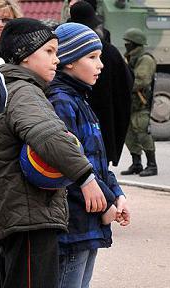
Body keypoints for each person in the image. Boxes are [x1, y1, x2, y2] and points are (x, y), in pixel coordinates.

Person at [0, 18, 106, 288]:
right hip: (30, 217)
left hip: (20, 214)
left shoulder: (11, 89)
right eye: (49, 51)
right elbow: (49, 136)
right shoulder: (24, 92)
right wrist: (86, 176)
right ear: (25, 55)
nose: (55, 59)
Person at [48, 22, 130, 288]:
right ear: (69, 60)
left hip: (88, 221)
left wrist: (117, 192)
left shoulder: (81, 100)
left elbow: (97, 161)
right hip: (73, 222)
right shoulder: (61, 103)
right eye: (93, 57)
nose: (101, 65)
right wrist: (106, 202)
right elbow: (67, 167)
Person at [69, 0, 133, 166]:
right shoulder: (110, 52)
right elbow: (126, 87)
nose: (99, 65)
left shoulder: (63, 51)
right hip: (103, 132)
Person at [120, 28, 158, 177]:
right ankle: (136, 163)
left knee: (143, 134)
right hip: (130, 104)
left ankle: (152, 165)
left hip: (141, 104)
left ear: (135, 43)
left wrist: (122, 84)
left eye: (128, 43)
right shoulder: (131, 58)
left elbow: (141, 80)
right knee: (129, 135)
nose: (126, 46)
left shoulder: (145, 59)